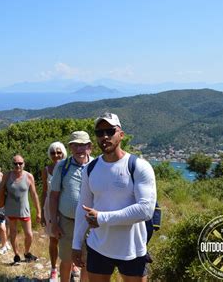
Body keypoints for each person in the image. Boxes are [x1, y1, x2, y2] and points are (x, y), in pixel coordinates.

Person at [72, 112, 157, 282]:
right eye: (99, 133)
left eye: (110, 131)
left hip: (132, 248)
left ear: (121, 135)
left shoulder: (139, 166)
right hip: (98, 247)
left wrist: (102, 218)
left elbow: (145, 210)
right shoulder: (90, 169)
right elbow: (83, 207)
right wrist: (76, 244)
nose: (104, 136)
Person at [50, 131, 93, 282]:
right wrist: (54, 223)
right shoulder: (62, 167)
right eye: (76, 145)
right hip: (67, 222)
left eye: (83, 145)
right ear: (71, 147)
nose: (79, 149)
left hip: (90, 223)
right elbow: (53, 196)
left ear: (90, 147)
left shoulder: (97, 166)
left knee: (87, 261)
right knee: (67, 259)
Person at [0, 154, 41, 265]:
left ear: (24, 164)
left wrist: (39, 211)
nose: (18, 165)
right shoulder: (7, 175)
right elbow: (1, 190)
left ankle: (26, 252)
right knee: (13, 232)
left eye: (20, 163)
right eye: (15, 163)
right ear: (12, 164)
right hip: (11, 209)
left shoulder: (29, 176)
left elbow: (34, 194)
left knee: (29, 234)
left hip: (24, 209)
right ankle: (16, 254)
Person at [41, 141, 68, 281]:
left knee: (68, 237)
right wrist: (40, 212)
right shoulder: (46, 170)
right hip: (50, 208)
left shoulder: (69, 168)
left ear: (63, 152)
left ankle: (71, 265)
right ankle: (53, 269)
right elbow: (45, 191)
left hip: (65, 207)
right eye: (53, 152)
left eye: (59, 152)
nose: (56, 155)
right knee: (53, 239)